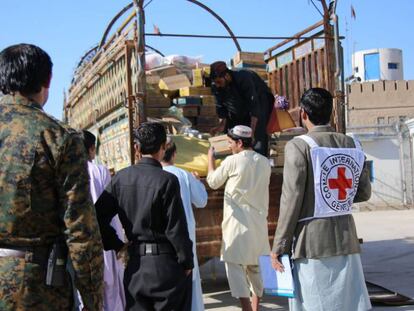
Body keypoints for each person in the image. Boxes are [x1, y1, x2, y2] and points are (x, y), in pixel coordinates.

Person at [0, 43, 103, 310]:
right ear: (47, 81)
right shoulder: (58, 137)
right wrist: (93, 299)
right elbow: (80, 229)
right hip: (35, 289)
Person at [271, 88, 372, 311]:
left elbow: (291, 199)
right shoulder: (352, 144)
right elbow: (364, 193)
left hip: (312, 245)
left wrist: (279, 245)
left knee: (316, 302)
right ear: (331, 112)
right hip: (347, 240)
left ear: (303, 114)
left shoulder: (298, 146)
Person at [95, 122, 194, 311]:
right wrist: (187, 261)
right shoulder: (167, 180)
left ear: (136, 147)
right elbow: (176, 229)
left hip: (135, 267)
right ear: (164, 147)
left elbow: (97, 218)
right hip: (166, 267)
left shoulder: (120, 179)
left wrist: (117, 245)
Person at [206, 125, 271, 311]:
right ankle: (254, 308)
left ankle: (247, 309)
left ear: (240, 143)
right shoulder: (264, 162)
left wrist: (210, 160)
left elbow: (213, 182)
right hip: (258, 224)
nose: (229, 146)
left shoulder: (232, 161)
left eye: (230, 143)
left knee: (235, 267)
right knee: (255, 268)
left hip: (237, 225)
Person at [161, 137, 208, 311]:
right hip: (184, 235)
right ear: (174, 155)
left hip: (160, 239)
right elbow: (201, 200)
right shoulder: (183, 174)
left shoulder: (153, 174)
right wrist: (198, 182)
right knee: (190, 281)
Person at [81, 130, 126, 311]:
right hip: (103, 240)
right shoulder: (100, 171)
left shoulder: (68, 171)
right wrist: (117, 243)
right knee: (110, 287)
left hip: (80, 241)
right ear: (92, 149)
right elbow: (110, 212)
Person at [209, 61, 274, 156]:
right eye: (215, 83)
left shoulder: (243, 78)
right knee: (234, 133)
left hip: (260, 101)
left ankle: (259, 160)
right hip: (240, 105)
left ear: (227, 76)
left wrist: (252, 132)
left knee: (256, 136)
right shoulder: (216, 87)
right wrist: (220, 126)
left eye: (219, 82)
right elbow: (222, 109)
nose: (217, 85)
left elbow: (254, 108)